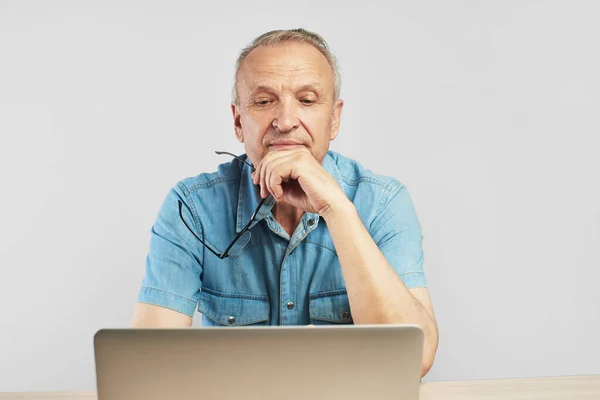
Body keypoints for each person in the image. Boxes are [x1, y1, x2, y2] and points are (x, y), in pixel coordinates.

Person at [132, 28, 439, 377]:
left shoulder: (383, 202)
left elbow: (415, 359)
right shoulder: (191, 207)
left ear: (334, 118)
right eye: (264, 102)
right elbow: (148, 366)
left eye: (307, 100)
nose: (286, 121)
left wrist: (336, 210)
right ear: (238, 121)